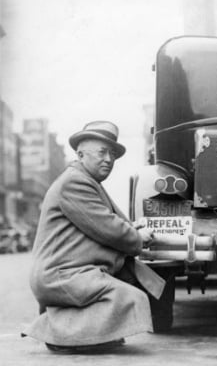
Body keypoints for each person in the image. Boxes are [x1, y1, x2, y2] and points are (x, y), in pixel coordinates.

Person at [22, 121, 165, 353]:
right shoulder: (75, 182)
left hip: (69, 271)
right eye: (102, 152)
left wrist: (132, 227)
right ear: (80, 154)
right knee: (130, 297)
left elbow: (104, 220)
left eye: (112, 154)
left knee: (133, 281)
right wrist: (137, 237)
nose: (109, 159)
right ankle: (58, 334)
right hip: (61, 275)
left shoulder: (85, 181)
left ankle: (88, 334)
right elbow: (106, 227)